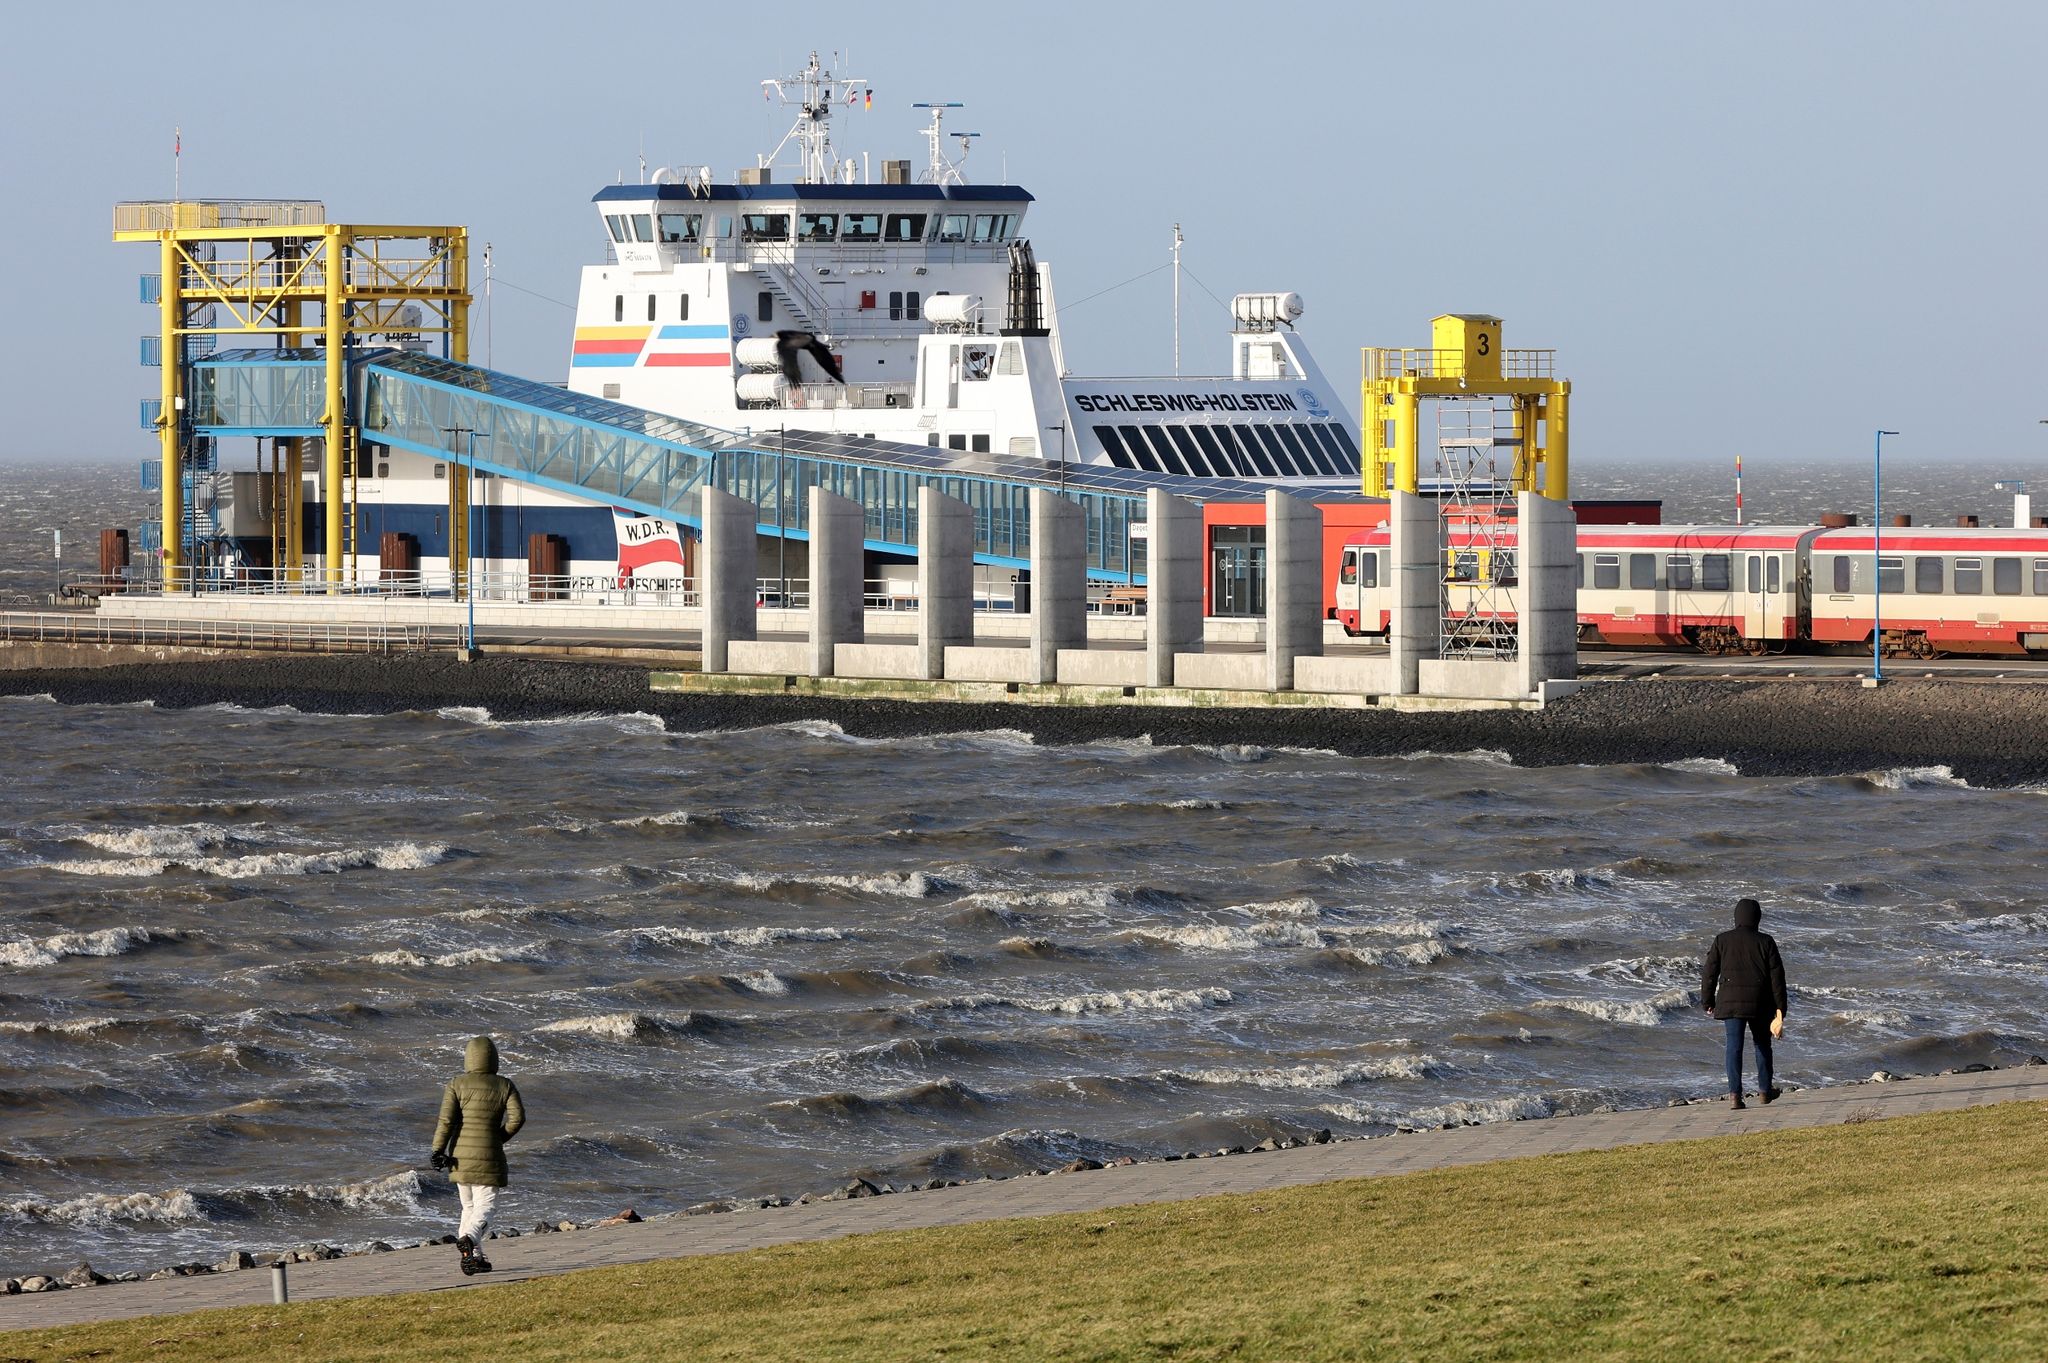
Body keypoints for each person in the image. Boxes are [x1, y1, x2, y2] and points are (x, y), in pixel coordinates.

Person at [430, 1036, 526, 1275]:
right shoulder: (505, 1085)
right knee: (486, 1206)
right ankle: (471, 1239)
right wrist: (498, 1138)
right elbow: (517, 1119)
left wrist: (437, 1150)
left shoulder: (456, 1084)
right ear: (494, 1059)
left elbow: (446, 1121)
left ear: (468, 1058)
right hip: (489, 1156)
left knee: (468, 1207)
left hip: (458, 1157)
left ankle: (474, 1258)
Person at [1701, 897, 1788, 1109]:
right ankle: (1765, 1091)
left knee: (1734, 1047)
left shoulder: (1722, 940)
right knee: (1762, 1045)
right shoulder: (1766, 941)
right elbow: (1777, 978)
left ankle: (1735, 1096)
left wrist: (1707, 1001)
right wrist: (1780, 1008)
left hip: (1730, 1003)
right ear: (1757, 917)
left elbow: (1709, 973)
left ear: (1736, 917)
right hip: (1760, 1003)